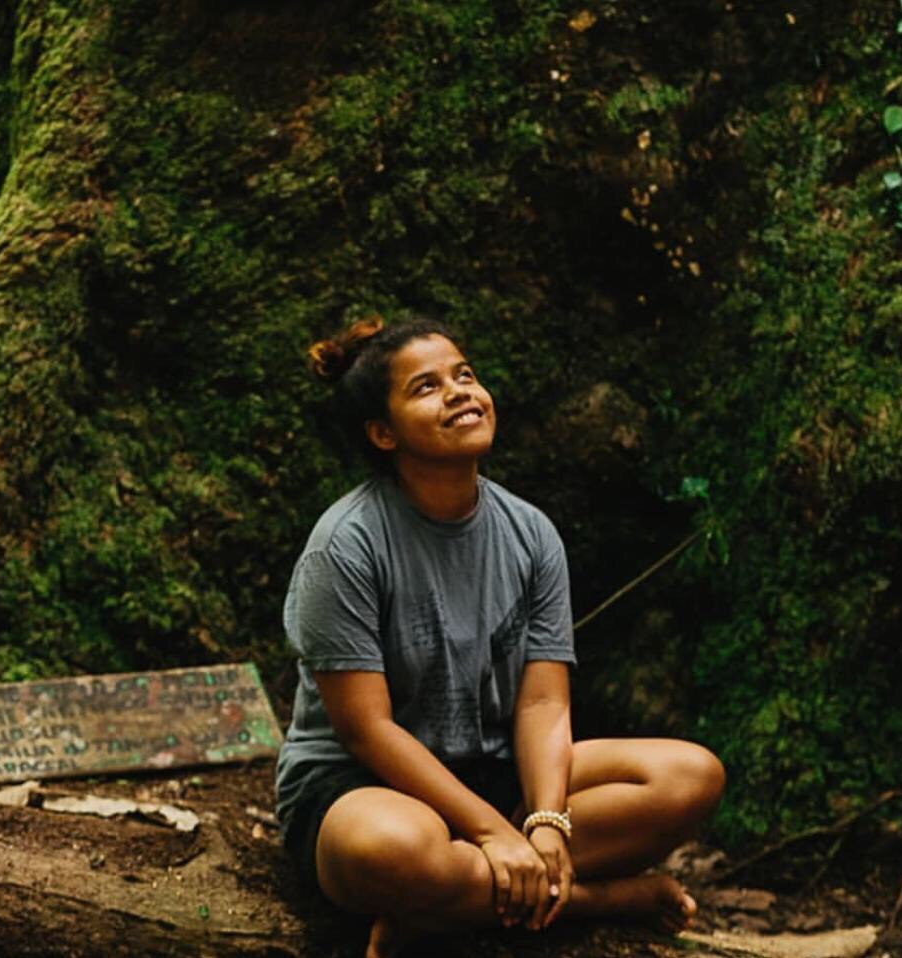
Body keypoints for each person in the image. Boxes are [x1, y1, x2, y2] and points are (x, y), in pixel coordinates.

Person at [275, 316, 725, 958]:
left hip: (495, 769)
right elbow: (366, 730)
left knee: (690, 776)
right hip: (365, 786)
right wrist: (492, 832)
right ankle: (601, 898)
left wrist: (544, 823)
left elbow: (542, 703)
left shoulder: (531, 533)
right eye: (426, 387)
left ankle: (439, 908)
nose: (459, 391)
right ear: (382, 432)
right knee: (391, 850)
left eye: (465, 374)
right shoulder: (345, 545)